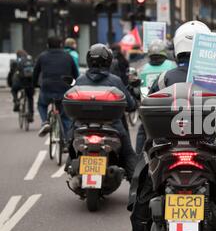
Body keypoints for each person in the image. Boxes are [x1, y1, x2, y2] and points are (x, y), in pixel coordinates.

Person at [124, 21, 216, 231]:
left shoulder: (164, 78)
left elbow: (148, 111)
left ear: (176, 48)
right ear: (207, 48)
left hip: (169, 146)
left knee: (144, 174)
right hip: (209, 144)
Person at [68, 44, 137, 184]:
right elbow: (130, 105)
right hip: (113, 127)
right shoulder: (115, 81)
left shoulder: (80, 80)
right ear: (108, 61)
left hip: (82, 126)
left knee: (70, 142)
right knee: (128, 153)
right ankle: (136, 189)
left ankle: (70, 165)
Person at [135, 39, 177, 155]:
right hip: (169, 108)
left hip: (149, 109)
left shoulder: (142, 69)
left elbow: (137, 89)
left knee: (142, 131)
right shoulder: (172, 65)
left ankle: (139, 157)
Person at [33, 36, 79, 138]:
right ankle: (67, 140)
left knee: (41, 104)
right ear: (61, 45)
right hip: (64, 88)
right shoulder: (68, 56)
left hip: (47, 87)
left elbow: (35, 73)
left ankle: (45, 122)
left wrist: (35, 85)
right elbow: (75, 74)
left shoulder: (42, 56)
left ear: (47, 45)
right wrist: (74, 85)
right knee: (65, 116)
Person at [8, 50, 35, 121]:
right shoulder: (30, 61)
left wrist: (11, 84)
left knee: (14, 90)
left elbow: (11, 75)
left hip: (19, 83)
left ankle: (16, 101)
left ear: (17, 55)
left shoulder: (16, 62)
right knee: (30, 98)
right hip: (29, 83)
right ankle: (30, 114)